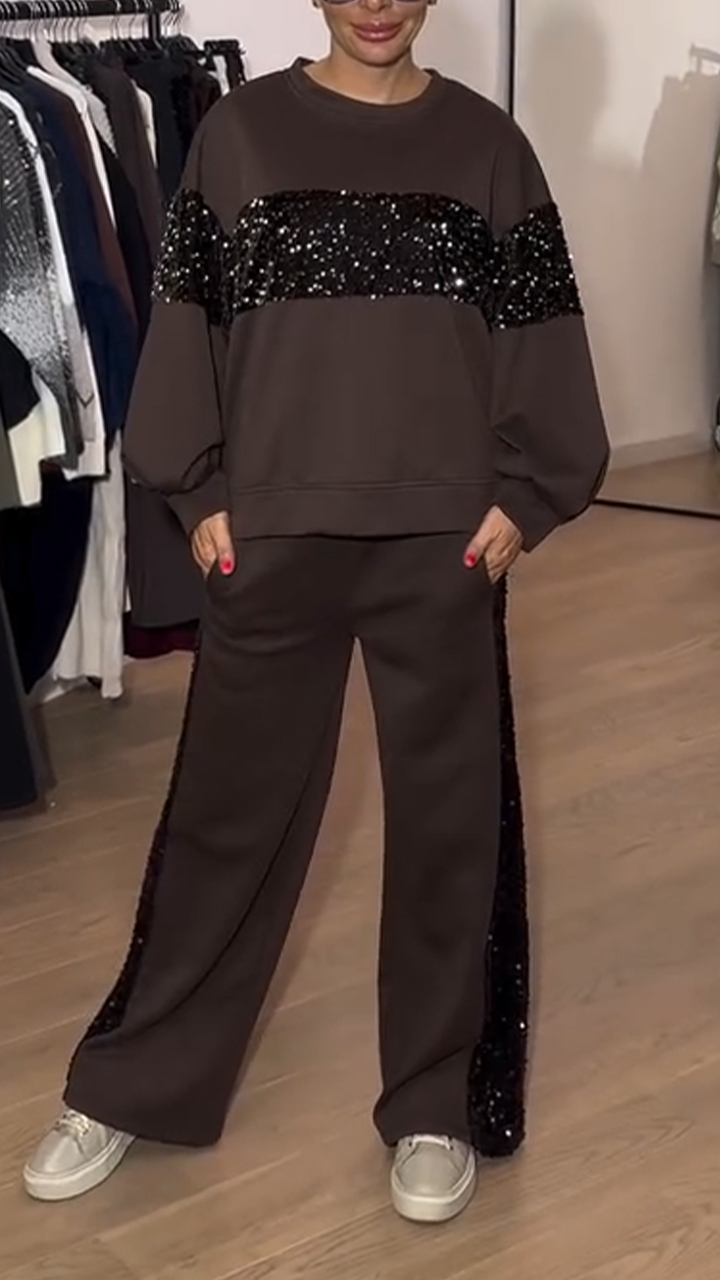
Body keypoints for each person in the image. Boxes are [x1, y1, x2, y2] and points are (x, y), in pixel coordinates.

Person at [23, 0, 609, 1223]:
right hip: (273, 541)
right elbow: (186, 327)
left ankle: (433, 1099)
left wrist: (526, 495)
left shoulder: (490, 148)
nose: (377, 2)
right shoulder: (237, 136)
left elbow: (543, 334)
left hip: (441, 546)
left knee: (449, 827)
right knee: (223, 820)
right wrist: (197, 489)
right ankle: (134, 1080)